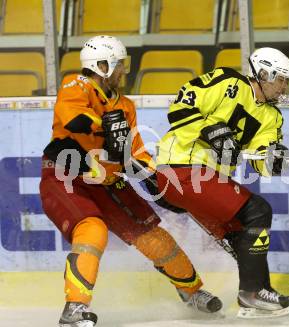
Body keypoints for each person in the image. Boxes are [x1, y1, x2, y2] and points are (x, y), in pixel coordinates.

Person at [39, 35, 221, 327]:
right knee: (91, 229)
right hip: (66, 175)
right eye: (119, 64)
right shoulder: (77, 85)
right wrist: (103, 124)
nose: (124, 70)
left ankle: (192, 292)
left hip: (107, 181)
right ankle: (74, 309)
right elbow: (74, 120)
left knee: (152, 234)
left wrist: (156, 182)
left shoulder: (126, 105)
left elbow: (132, 152)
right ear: (101, 65)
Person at [155, 47, 289, 318]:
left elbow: (260, 161)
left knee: (239, 231)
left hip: (208, 179)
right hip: (181, 167)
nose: (284, 87)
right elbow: (181, 104)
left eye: (286, 81)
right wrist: (211, 131)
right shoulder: (228, 82)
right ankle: (253, 295)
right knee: (258, 211)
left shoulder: (272, 117)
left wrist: (274, 160)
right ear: (263, 73)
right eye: (280, 79)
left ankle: (261, 291)